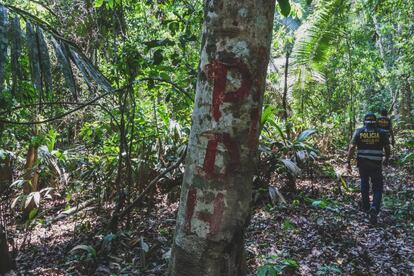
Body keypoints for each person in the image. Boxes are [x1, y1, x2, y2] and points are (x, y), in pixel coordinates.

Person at [346, 113, 390, 224]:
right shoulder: (382, 132)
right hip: (376, 164)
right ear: (376, 122)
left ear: (364, 121)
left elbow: (352, 147)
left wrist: (348, 162)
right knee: (377, 187)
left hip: (363, 163)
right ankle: (374, 207)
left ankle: (366, 207)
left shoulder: (359, 131)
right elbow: (387, 147)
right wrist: (387, 158)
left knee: (364, 182)